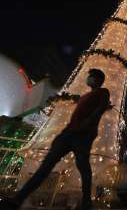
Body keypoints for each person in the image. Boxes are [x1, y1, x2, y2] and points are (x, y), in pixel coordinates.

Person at [0, 69, 110, 210]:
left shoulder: (103, 92)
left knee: (83, 167)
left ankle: (87, 202)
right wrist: (63, 134)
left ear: (97, 79)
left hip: (83, 135)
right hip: (68, 134)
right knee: (46, 166)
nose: (88, 79)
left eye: (91, 77)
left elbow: (100, 109)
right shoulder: (84, 96)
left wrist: (87, 123)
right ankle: (18, 200)